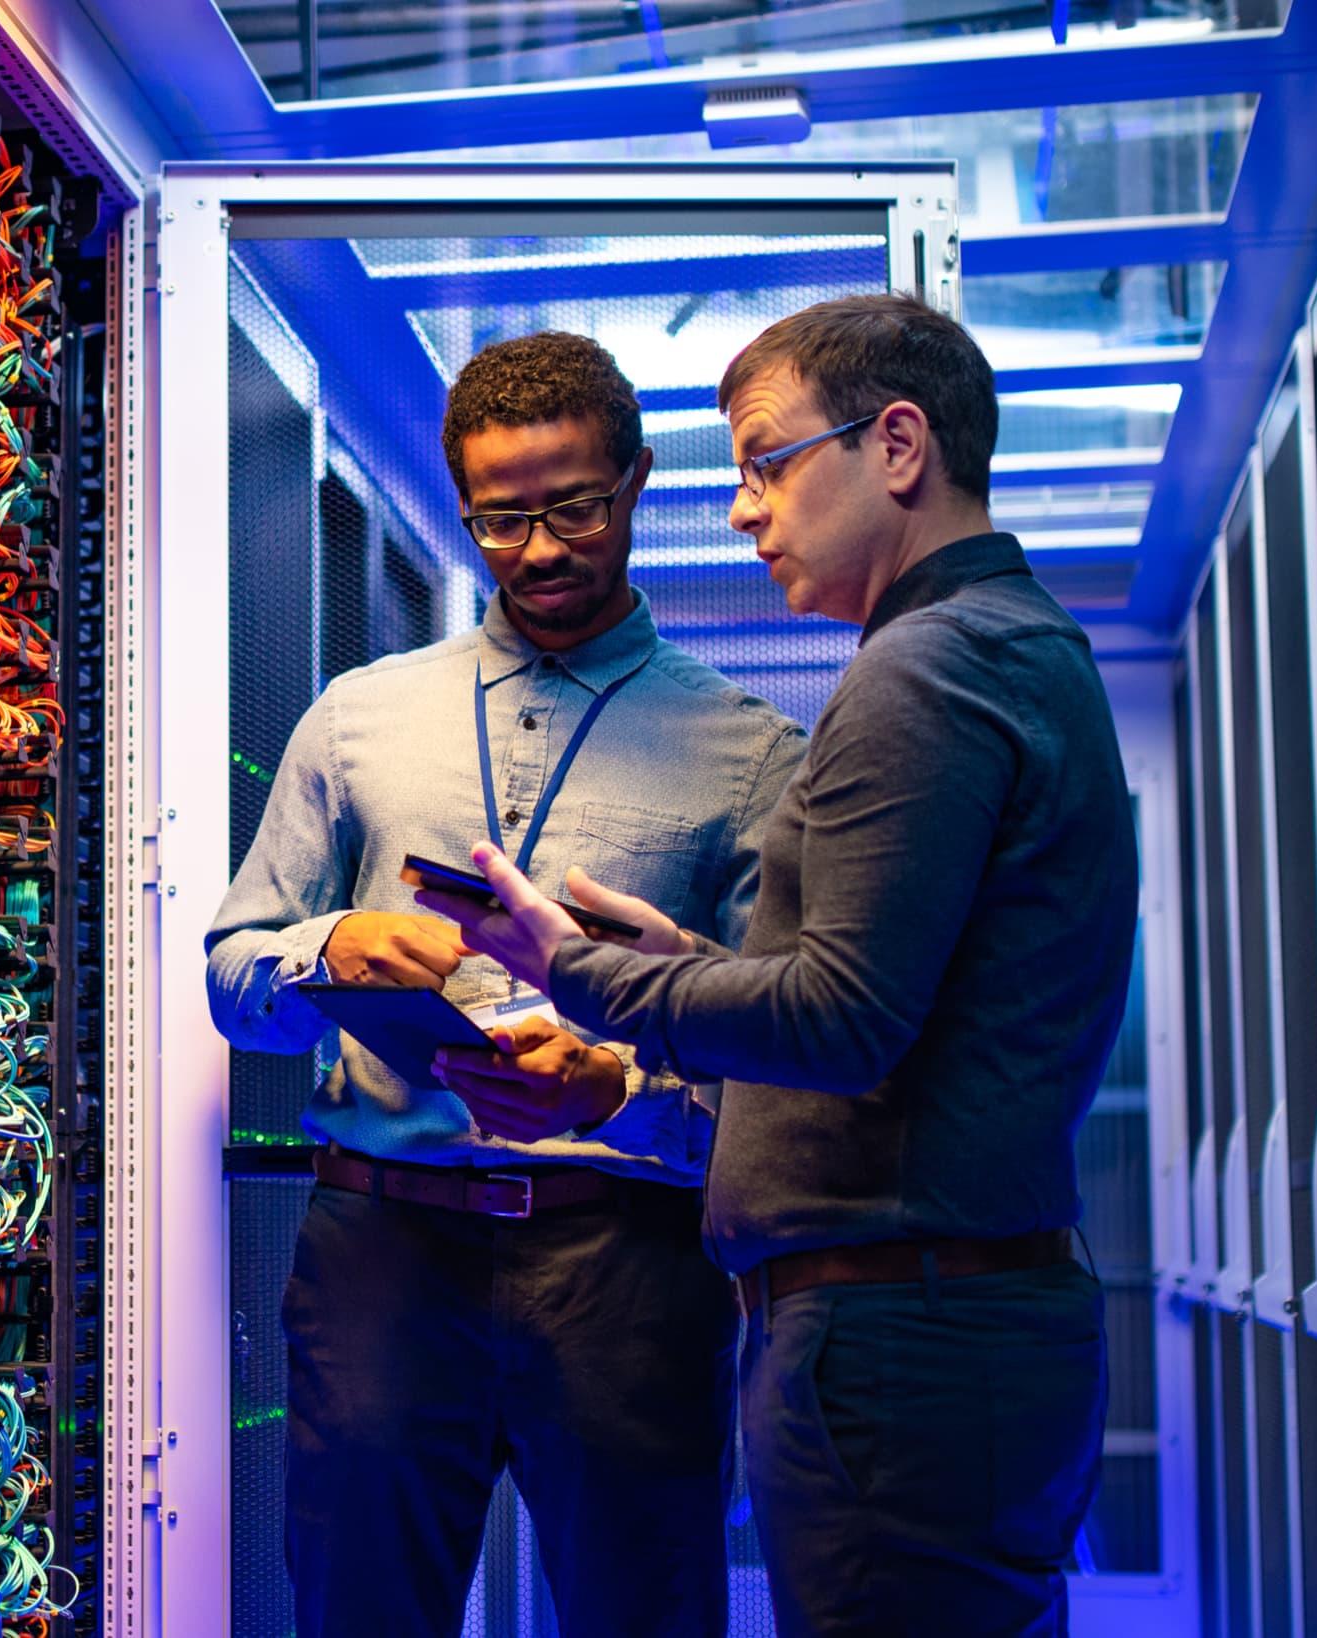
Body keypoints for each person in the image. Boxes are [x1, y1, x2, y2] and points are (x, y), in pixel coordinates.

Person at [422, 294, 1137, 1638]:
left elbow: (839, 1018)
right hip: (952, 1327)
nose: (744, 509)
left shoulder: (920, 672)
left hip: (899, 1339)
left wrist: (570, 964)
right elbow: (904, 995)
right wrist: (696, 960)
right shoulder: (1015, 647)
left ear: (899, 445)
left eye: (765, 459)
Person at [205, 330, 806, 1637]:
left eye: (573, 508)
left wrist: (622, 1092)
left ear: (636, 482)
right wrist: (330, 951)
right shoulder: (354, 716)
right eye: (497, 519)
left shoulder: (754, 756)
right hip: (381, 1251)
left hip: (626, 1261)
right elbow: (230, 972)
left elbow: (787, 1066)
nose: (537, 550)